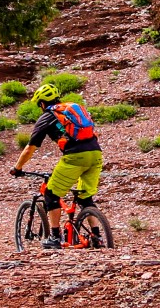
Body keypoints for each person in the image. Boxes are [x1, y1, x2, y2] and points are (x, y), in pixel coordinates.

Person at [11, 81, 103, 248]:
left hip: (75, 157)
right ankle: (97, 236)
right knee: (85, 197)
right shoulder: (72, 110)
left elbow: (30, 148)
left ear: (42, 103)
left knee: (51, 195)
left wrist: (17, 168)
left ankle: (54, 237)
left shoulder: (47, 116)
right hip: (96, 154)